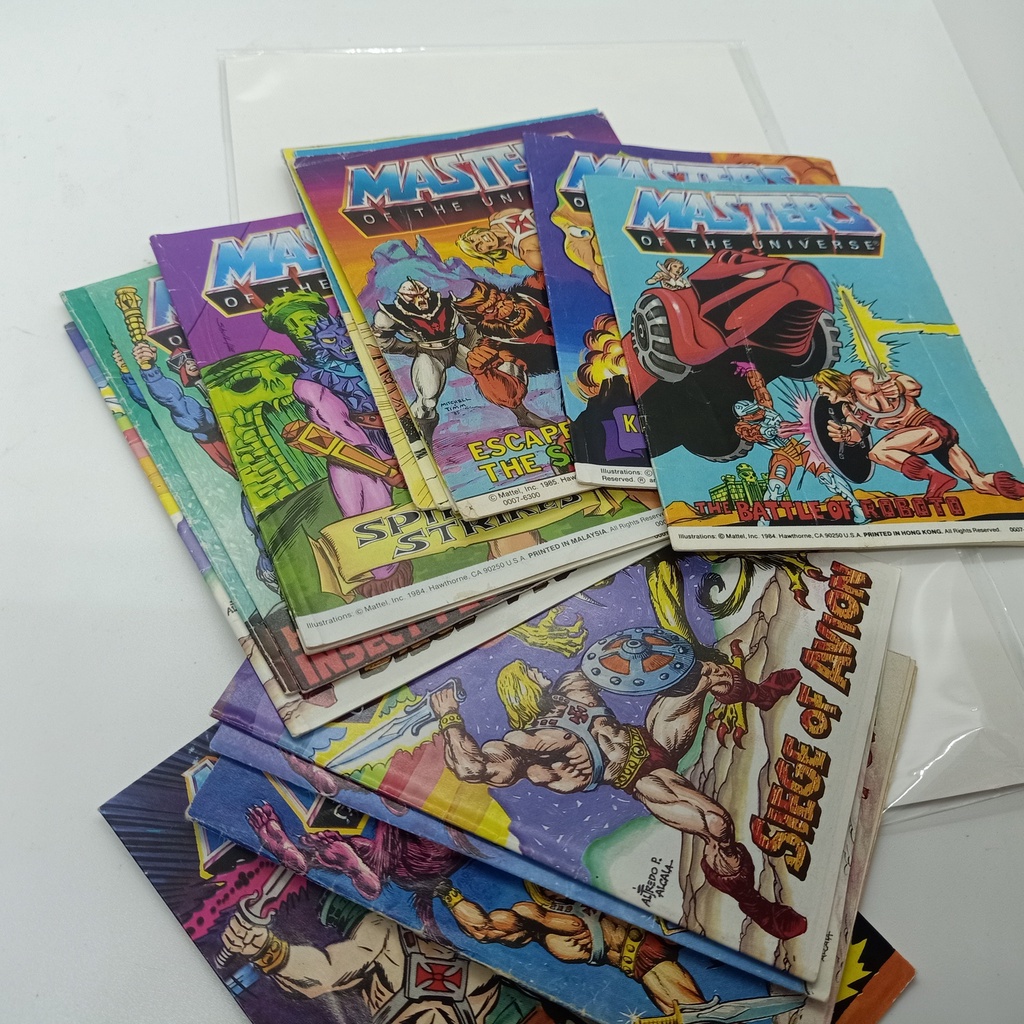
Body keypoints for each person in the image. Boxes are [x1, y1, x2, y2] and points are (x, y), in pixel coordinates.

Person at [427, 649, 807, 941]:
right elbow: (471, 768)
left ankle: (761, 694)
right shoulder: (524, 745)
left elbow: (623, 660)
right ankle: (754, 903)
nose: (539, 671)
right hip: (642, 777)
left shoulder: (572, 687)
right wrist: (449, 716)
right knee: (716, 824)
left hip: (655, 739)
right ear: (521, 686)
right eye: (530, 671)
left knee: (706, 673)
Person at [435, 881, 704, 1015]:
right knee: (690, 1013)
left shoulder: (583, 889)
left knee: (695, 1012)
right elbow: (482, 929)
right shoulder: (531, 914)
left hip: (654, 936)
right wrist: (448, 893)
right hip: (638, 963)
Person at [814, 367, 1024, 501]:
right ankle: (1018, 489)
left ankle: (935, 477)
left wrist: (898, 386)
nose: (821, 393)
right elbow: (858, 433)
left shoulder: (858, 381)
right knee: (978, 482)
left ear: (833, 382)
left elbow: (912, 386)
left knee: (879, 452)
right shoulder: (849, 409)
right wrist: (845, 434)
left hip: (930, 427)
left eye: (822, 387)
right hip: (922, 437)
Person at [733, 364, 867, 522]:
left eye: (754, 409)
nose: (756, 413)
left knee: (828, 477)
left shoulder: (765, 408)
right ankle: (765, 520)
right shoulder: (742, 426)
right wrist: (765, 432)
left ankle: (855, 507)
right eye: (751, 414)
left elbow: (759, 387)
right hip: (782, 455)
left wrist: (751, 369)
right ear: (744, 417)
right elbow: (751, 433)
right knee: (776, 486)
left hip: (798, 448)